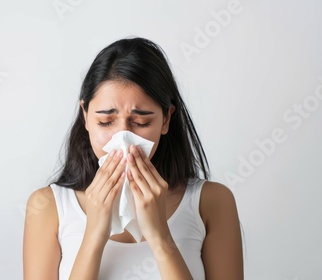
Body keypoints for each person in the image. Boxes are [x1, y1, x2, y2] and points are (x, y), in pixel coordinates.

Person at [23, 37, 243, 279]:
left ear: (166, 120)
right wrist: (94, 235)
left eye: (141, 122)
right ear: (85, 115)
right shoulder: (48, 207)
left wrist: (160, 236)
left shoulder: (211, 202)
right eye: (105, 122)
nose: (123, 137)